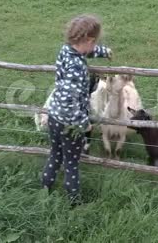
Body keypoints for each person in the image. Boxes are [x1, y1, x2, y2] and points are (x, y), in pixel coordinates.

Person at [41, 14, 112, 206]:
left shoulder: (66, 51)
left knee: (55, 154)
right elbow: (67, 101)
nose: (94, 45)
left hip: (54, 118)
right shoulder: (76, 67)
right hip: (69, 123)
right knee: (72, 163)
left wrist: (102, 51)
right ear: (88, 40)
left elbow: (84, 51)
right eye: (95, 42)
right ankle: (75, 203)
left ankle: (44, 190)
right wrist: (83, 123)